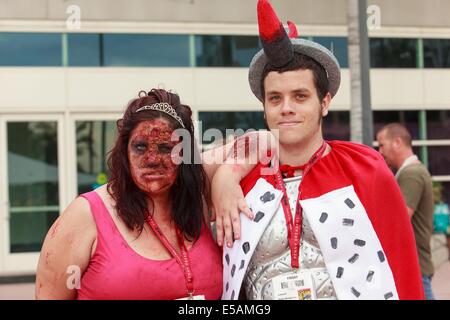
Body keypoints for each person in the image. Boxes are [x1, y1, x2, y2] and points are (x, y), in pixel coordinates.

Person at [212, 0, 424, 300]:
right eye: (274, 98)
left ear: (324, 103)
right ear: (264, 108)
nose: (286, 108)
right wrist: (224, 175)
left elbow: (401, 267)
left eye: (300, 96)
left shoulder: (363, 168)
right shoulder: (244, 181)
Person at [36, 88, 235, 300]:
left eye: (166, 148)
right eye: (140, 147)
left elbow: (259, 143)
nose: (152, 159)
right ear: (124, 152)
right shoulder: (85, 215)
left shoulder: (196, 198)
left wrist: (227, 179)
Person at [377, 123, 435, 300]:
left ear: (397, 142)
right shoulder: (410, 172)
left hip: (415, 265)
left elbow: (399, 218)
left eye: (381, 145)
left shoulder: (412, 174)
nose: (379, 152)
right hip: (416, 264)